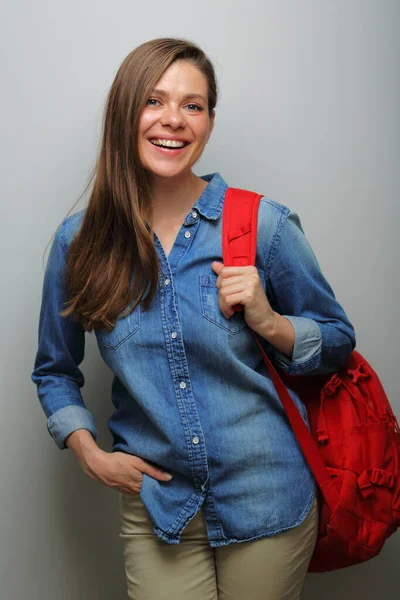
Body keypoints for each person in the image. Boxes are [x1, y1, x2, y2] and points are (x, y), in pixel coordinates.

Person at [31, 37, 356, 600]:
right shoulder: (79, 242)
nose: (174, 120)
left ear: (208, 122)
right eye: (154, 101)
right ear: (124, 113)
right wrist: (88, 452)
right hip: (160, 507)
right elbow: (54, 370)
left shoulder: (263, 225)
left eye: (194, 105)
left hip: (269, 497)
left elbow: (337, 342)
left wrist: (269, 318)